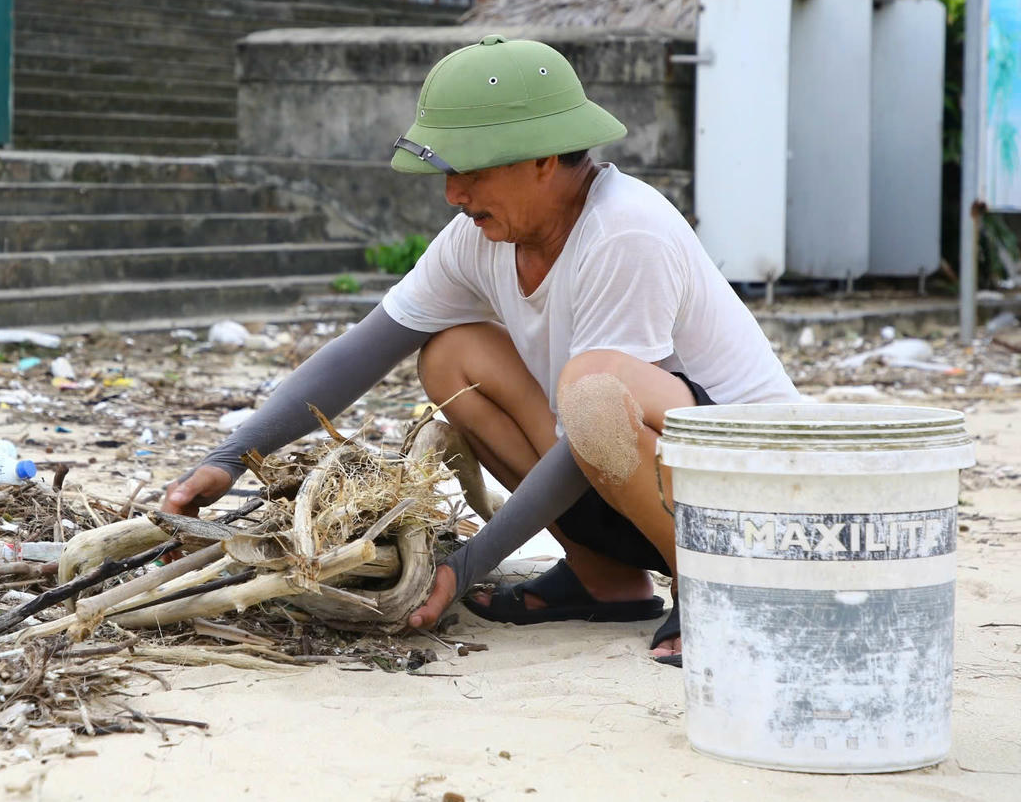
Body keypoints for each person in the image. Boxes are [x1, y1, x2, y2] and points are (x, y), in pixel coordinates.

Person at [161, 34, 800, 665]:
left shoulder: (626, 229)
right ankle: (602, 578)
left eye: (470, 172)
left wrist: (467, 564)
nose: (453, 195)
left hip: (755, 503)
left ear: (542, 161)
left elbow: (598, 420)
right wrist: (230, 459)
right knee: (450, 356)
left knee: (595, 386)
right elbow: (365, 349)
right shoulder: (482, 238)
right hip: (632, 484)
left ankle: (720, 586)